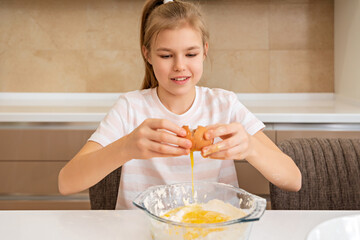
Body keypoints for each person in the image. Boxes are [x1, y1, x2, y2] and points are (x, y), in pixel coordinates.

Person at [58, 0, 301, 209]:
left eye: (191, 54)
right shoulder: (130, 108)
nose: (179, 66)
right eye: (166, 55)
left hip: (212, 228)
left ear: (205, 51)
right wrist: (126, 147)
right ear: (147, 54)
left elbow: (293, 180)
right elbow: (67, 182)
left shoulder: (225, 105)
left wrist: (250, 149)